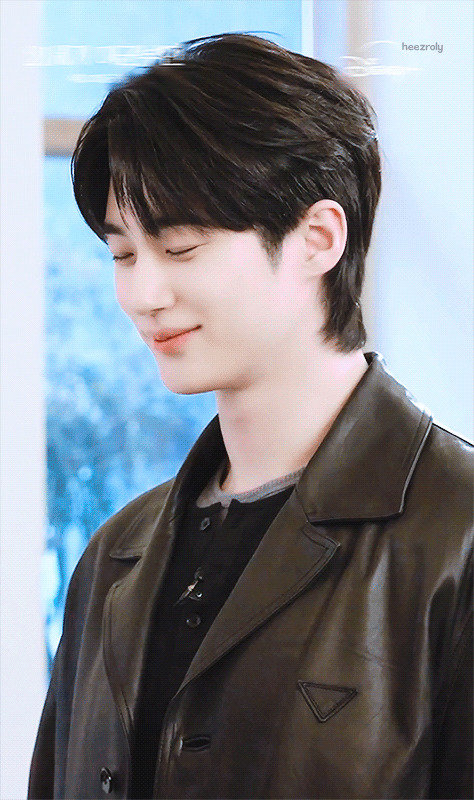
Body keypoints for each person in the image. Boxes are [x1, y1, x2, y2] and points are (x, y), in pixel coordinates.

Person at [28, 33, 472, 800]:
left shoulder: (457, 533)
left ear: (317, 239)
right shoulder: (114, 557)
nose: (143, 296)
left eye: (180, 247)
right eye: (123, 255)